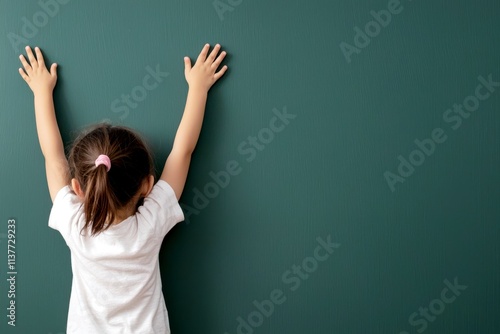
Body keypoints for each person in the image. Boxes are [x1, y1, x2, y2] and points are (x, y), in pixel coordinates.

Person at [18, 44, 228, 333]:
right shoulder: (151, 224)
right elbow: (183, 151)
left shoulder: (75, 225)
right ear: (147, 185)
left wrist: (41, 91)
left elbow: (52, 156)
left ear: (77, 188)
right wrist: (198, 88)